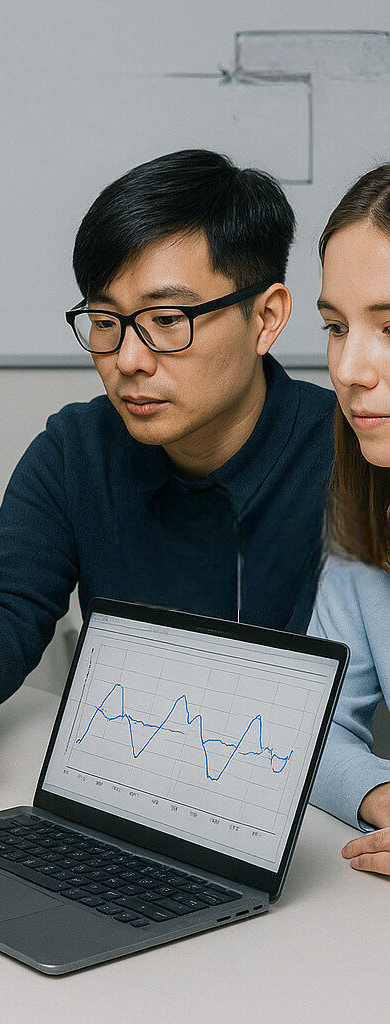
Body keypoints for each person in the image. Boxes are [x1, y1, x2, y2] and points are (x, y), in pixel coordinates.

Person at [0, 149, 336, 741]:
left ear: (266, 318)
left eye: (168, 320)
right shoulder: (77, 449)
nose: (127, 360)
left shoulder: (349, 460)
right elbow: (9, 592)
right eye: (104, 319)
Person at [307, 164, 390, 876]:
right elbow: (318, 731)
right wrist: (383, 795)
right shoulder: (367, 527)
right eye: (336, 327)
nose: (350, 368)